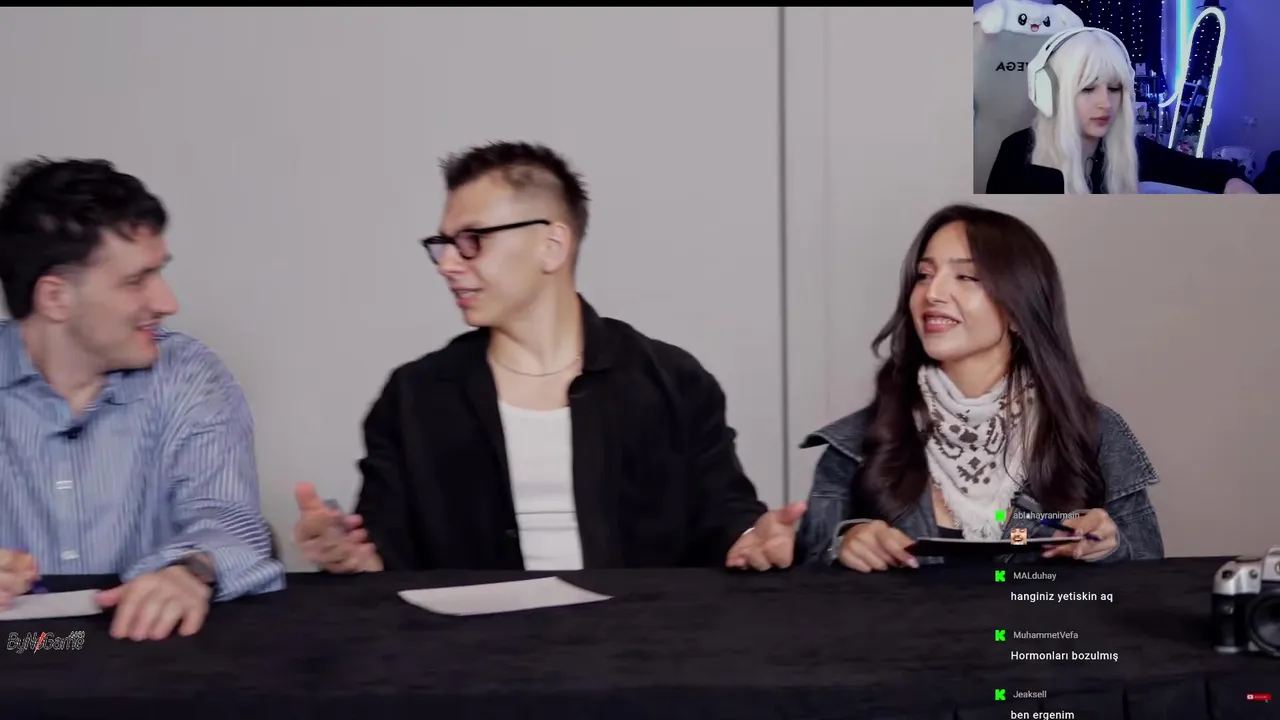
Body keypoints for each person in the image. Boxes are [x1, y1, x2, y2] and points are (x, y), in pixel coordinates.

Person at [293, 141, 802, 573]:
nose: (447, 264)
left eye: (471, 241)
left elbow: (725, 516)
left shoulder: (672, 381)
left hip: (642, 649)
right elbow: (386, 553)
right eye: (442, 244)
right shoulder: (414, 396)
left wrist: (751, 539)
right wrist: (352, 555)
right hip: (468, 655)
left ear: (552, 245)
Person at [793, 204, 1165, 572]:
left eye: (966, 277)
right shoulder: (856, 443)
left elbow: (1153, 580)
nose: (932, 292)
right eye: (924, 275)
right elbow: (801, 584)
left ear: (1019, 311)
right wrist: (844, 546)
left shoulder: (1095, 433)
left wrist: (1108, 547)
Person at [0, 158, 283, 639]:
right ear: (55, 298)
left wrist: (190, 571)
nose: (167, 303)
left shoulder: (189, 375)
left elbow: (231, 522)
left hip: (149, 660)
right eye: (136, 281)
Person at [986, 29, 1256, 195]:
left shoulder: (1133, 151)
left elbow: (1213, 172)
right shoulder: (1017, 152)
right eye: (1088, 88)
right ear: (1051, 91)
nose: (1106, 103)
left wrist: (1234, 182)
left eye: (1114, 88)